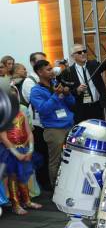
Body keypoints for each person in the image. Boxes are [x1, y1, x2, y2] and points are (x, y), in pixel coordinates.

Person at [29, 59, 75, 190]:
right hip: (54, 129)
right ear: (39, 72)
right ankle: (57, 189)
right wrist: (56, 95)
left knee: (72, 158)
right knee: (56, 161)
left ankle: (71, 185)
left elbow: (71, 103)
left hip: (69, 125)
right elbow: (43, 109)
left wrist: (66, 94)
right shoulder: (36, 91)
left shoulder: (56, 83)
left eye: (51, 68)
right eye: (48, 70)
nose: (52, 71)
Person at [0, 88, 41, 215]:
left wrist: (30, 150)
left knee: (24, 176)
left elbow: (29, 133)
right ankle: (15, 204)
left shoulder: (21, 114)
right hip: (9, 151)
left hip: (24, 148)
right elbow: (3, 136)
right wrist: (16, 154)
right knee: (13, 177)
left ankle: (27, 201)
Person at [20, 52, 51, 192]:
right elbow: (34, 100)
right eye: (41, 62)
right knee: (43, 155)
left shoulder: (52, 80)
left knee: (52, 155)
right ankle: (44, 183)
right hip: (38, 123)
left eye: (46, 62)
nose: (45, 64)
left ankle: (50, 181)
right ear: (33, 64)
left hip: (52, 121)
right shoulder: (29, 81)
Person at [66, 43, 106, 123]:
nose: (83, 53)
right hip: (81, 108)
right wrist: (77, 90)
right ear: (73, 56)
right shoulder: (68, 72)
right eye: (79, 52)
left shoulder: (93, 64)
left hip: (97, 106)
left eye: (84, 51)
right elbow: (67, 92)